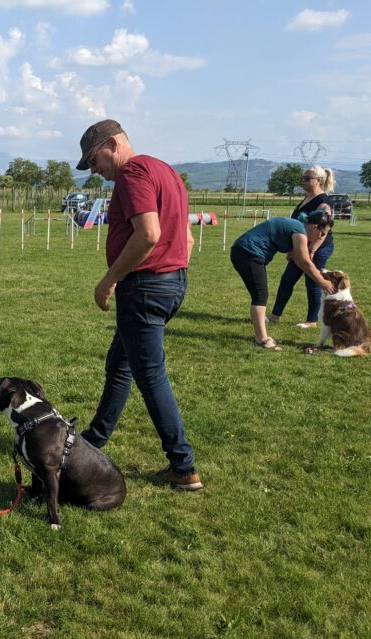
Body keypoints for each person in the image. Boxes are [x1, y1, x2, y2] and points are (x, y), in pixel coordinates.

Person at [75, 119, 202, 492]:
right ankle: (94, 440)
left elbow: (148, 233)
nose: (94, 170)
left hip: (145, 288)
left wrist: (109, 279)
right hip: (169, 282)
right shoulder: (167, 172)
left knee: (150, 375)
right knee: (121, 364)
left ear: (113, 144)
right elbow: (188, 240)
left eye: (93, 159)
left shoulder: (133, 174)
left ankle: (183, 465)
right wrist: (170, 276)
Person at [230, 211, 335, 351]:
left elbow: (297, 259)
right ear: (314, 227)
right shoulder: (300, 231)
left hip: (244, 252)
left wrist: (315, 275)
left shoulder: (298, 227)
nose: (321, 237)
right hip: (248, 253)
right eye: (322, 233)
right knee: (260, 296)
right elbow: (304, 261)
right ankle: (261, 339)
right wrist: (323, 282)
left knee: (260, 295)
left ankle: (262, 336)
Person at [267, 165, 336, 329]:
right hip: (302, 246)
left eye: (307, 179)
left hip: (317, 248)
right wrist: (293, 248)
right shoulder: (307, 198)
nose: (302, 182)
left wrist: (311, 250)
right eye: (303, 178)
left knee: (312, 281)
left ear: (318, 181)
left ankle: (311, 321)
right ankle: (274, 316)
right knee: (287, 280)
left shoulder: (323, 202)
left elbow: (324, 230)